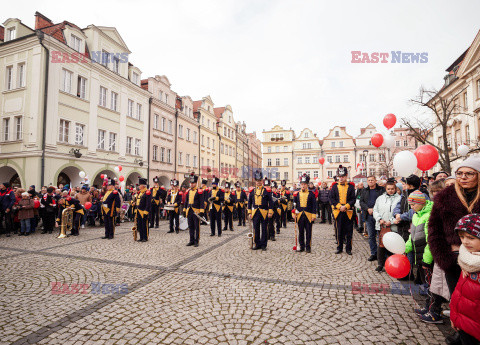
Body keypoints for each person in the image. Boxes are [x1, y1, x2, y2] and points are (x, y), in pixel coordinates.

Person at [449, 214, 480, 345]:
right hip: (465, 325)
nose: (465, 242)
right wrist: (455, 318)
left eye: (471, 238)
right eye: (462, 237)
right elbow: (459, 293)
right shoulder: (467, 260)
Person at [373, 180, 401, 272]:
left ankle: (393, 265)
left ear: (395, 189)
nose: (390, 191)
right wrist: (379, 219)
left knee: (393, 246)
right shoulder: (380, 198)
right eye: (388, 189)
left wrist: (391, 221)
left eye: (392, 189)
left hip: (394, 227)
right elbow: (375, 210)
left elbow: (399, 212)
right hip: (382, 226)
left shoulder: (400, 198)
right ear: (386, 189)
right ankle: (380, 264)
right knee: (381, 245)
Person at [330, 165, 356, 255]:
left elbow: (353, 199)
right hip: (338, 212)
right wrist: (339, 206)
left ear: (346, 176)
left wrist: (346, 206)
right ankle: (339, 247)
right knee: (339, 231)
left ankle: (348, 249)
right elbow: (332, 199)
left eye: (343, 176)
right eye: (340, 177)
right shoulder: (334, 187)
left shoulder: (351, 187)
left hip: (348, 211)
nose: (341, 178)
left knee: (349, 231)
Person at [360, 176, 385, 262]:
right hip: (368, 216)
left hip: (379, 216)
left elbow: (383, 201)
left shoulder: (381, 190)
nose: (370, 181)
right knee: (371, 236)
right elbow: (361, 202)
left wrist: (375, 210)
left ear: (375, 181)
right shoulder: (364, 190)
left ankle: (381, 254)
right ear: (367, 181)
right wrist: (367, 208)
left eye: (372, 180)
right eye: (369, 180)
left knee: (380, 236)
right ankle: (373, 253)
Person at [248, 171, 273, 251]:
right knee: (256, 229)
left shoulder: (267, 191)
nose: (258, 182)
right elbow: (249, 202)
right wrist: (249, 213)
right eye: (257, 181)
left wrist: (270, 212)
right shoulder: (252, 191)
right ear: (255, 181)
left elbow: (271, 202)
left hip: (264, 212)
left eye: (260, 181)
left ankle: (263, 245)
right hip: (255, 212)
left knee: (264, 229)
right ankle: (257, 244)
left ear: (262, 181)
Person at [293, 174, 317, 253]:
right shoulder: (297, 194)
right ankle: (301, 246)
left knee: (308, 232)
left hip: (308, 215)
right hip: (300, 215)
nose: (303, 186)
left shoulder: (311, 194)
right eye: (302, 184)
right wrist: (293, 213)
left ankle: (308, 247)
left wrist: (314, 215)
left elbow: (314, 205)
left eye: (304, 184)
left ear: (307, 185)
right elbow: (294, 204)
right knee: (301, 232)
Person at [184, 173, 204, 247]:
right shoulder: (188, 191)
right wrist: (184, 209)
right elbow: (186, 201)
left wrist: (202, 211)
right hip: (189, 210)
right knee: (190, 226)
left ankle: (196, 241)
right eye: (191, 183)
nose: (191, 184)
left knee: (196, 226)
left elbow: (202, 202)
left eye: (193, 183)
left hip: (196, 211)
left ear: (196, 183)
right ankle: (191, 240)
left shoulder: (199, 191)